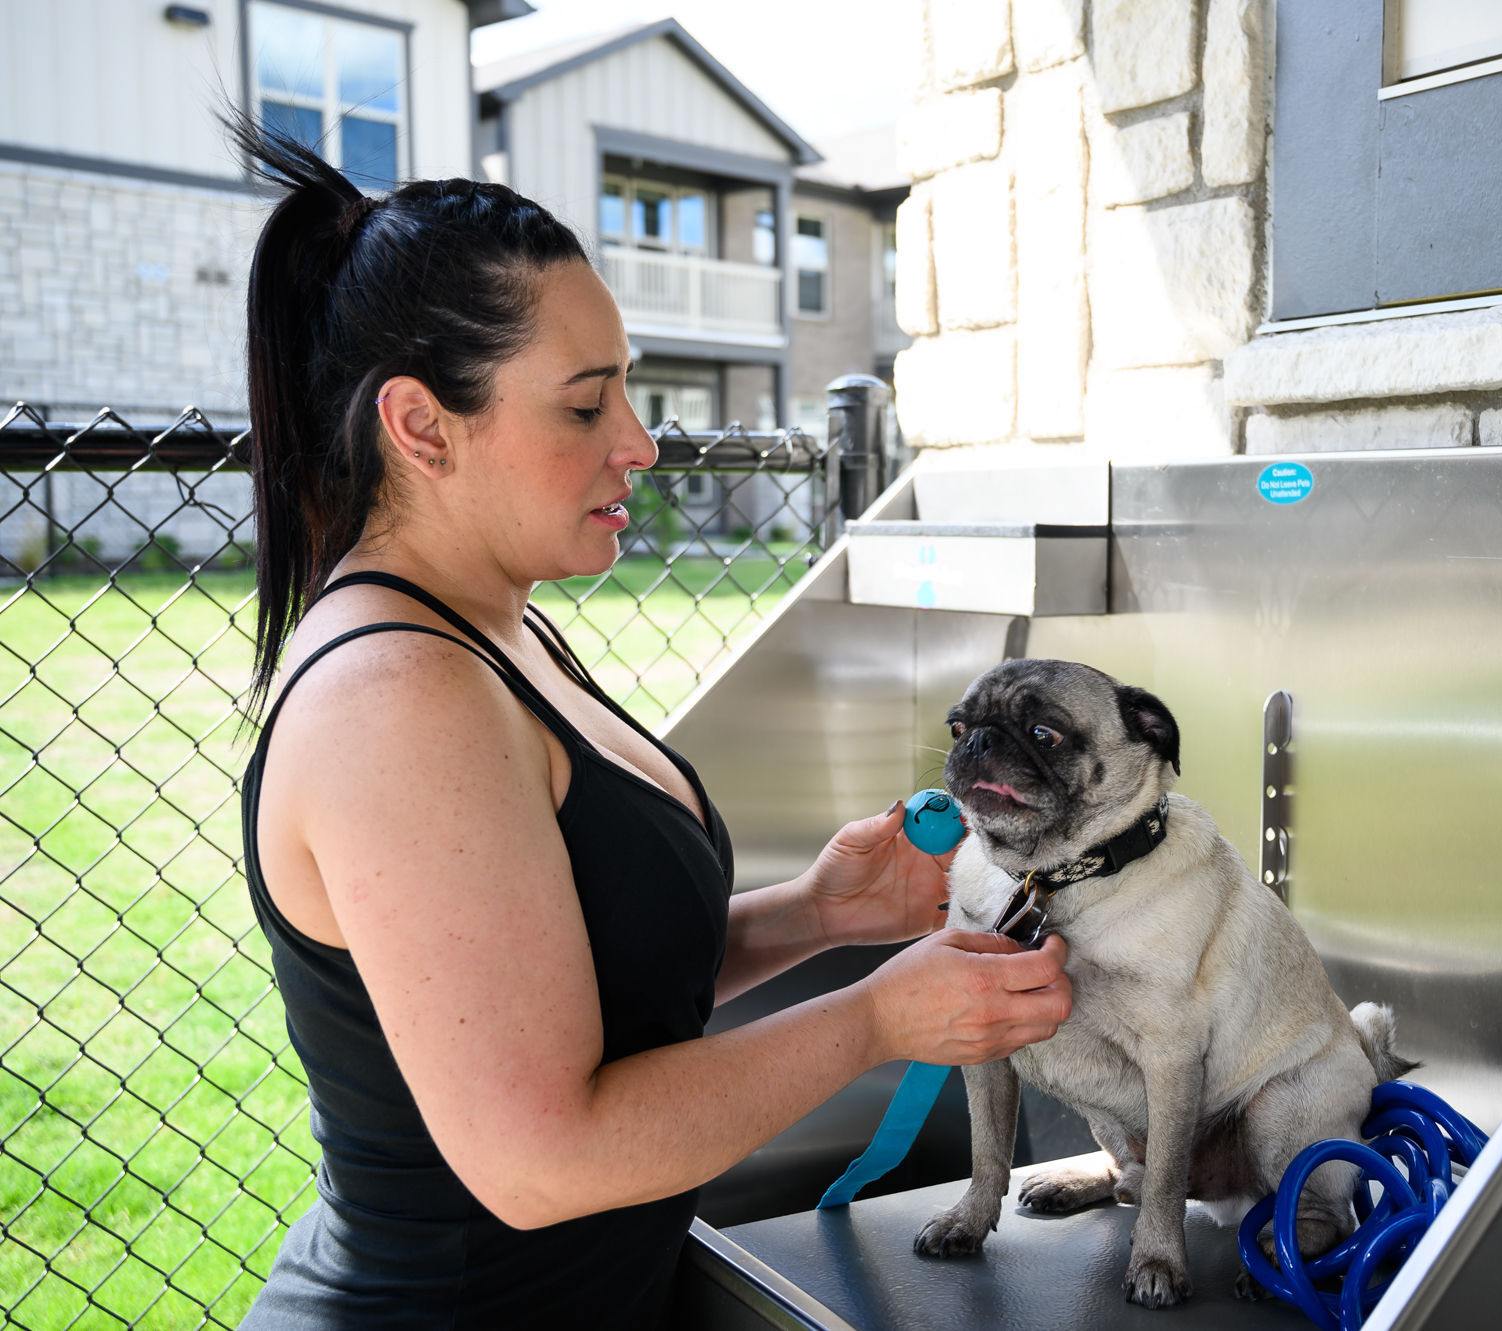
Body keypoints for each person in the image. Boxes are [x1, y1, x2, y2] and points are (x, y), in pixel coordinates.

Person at [228, 119, 1072, 1329]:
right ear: (420, 427)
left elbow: (572, 978)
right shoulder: (395, 698)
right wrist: (877, 1014)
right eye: (585, 405)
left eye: (626, 387)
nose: (639, 440)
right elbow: (542, 1155)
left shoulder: (498, 628)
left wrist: (812, 914)